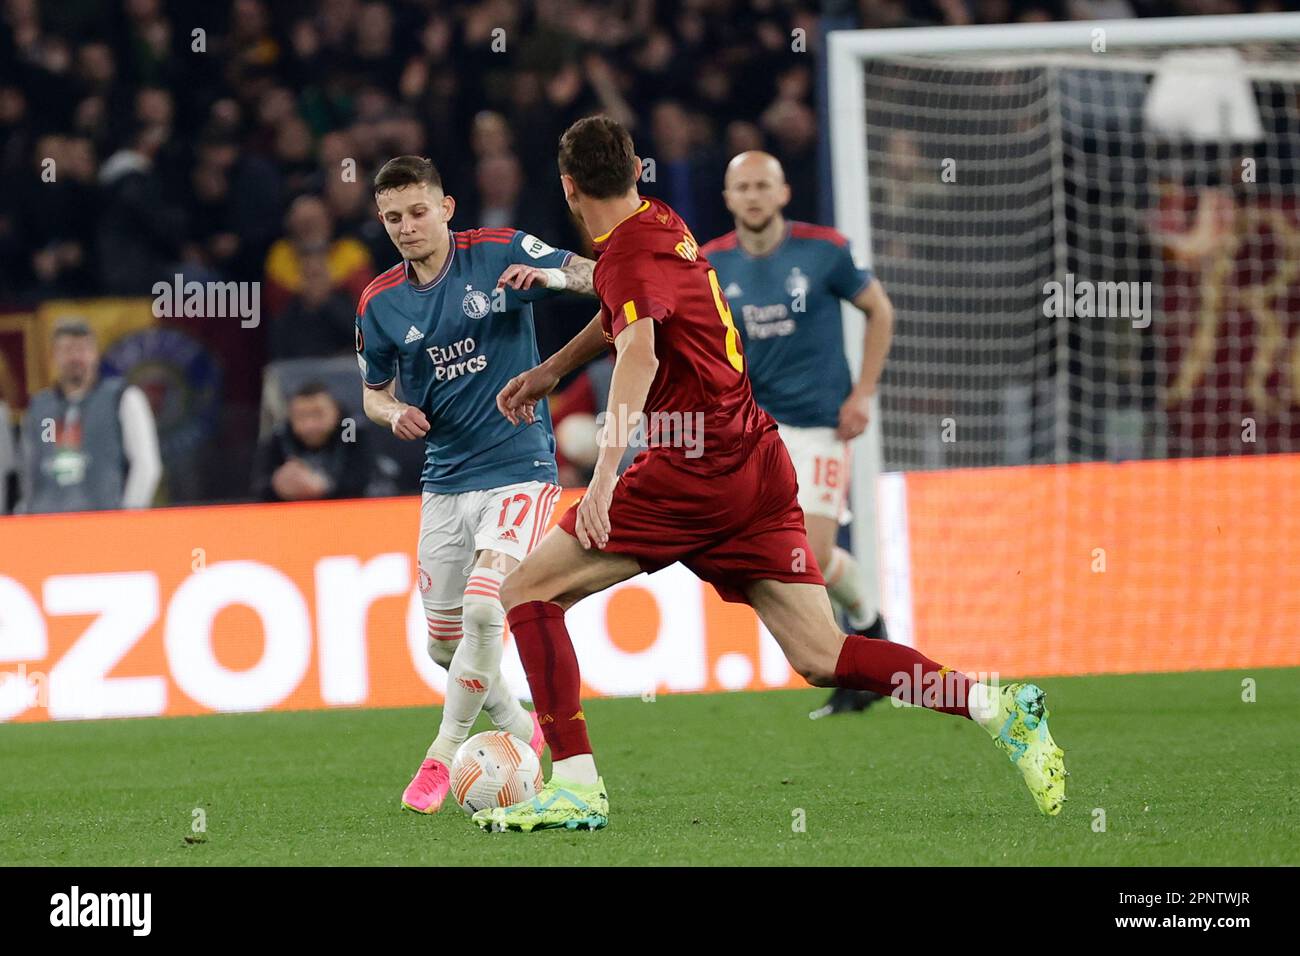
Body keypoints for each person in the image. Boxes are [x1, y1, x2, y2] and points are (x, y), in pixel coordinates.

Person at [483, 117, 1066, 832]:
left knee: (527, 591)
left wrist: (603, 475)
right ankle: (992, 705)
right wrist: (550, 370)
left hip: (690, 472)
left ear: (569, 188)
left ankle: (575, 785)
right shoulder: (661, 223)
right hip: (757, 460)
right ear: (637, 172)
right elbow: (629, 313)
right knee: (823, 655)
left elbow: (637, 348)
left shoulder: (626, 257)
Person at [355, 155, 598, 813]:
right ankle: (521, 733)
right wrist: (392, 412)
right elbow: (373, 394)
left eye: (417, 211)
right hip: (445, 481)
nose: (406, 227)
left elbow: (602, 278)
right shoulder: (379, 303)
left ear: (447, 208)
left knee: (489, 607)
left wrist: (548, 274)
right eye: (393, 217)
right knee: (442, 643)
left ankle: (441, 755)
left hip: (519, 469)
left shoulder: (497, 251)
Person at [702, 151, 896, 718]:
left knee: (808, 553)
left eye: (764, 185)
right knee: (773, 559)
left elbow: (879, 310)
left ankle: (868, 635)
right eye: (743, 187)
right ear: (729, 198)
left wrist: (863, 393)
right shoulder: (712, 264)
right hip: (754, 431)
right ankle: (860, 653)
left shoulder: (824, 251)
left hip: (819, 425)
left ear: (784, 193)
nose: (755, 196)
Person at [19, 319, 161, 514]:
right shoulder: (41, 408)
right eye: (67, 350)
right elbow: (30, 471)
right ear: (53, 356)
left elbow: (146, 465)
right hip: (47, 525)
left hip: (103, 524)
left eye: (83, 349)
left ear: (95, 354)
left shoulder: (123, 398)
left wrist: (129, 518)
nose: (76, 357)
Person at [250, 381, 376, 501]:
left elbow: (367, 481)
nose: (310, 425)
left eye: (318, 414)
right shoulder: (280, 437)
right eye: (301, 416)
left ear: (336, 411)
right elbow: (258, 484)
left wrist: (326, 487)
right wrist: (277, 485)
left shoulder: (352, 432)